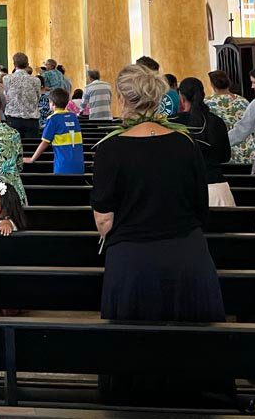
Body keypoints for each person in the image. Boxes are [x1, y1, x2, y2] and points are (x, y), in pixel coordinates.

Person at [90, 64, 223, 323]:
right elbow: (200, 205)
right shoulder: (185, 142)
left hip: (133, 261)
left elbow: (103, 220)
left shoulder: (110, 149)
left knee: (137, 349)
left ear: (122, 99)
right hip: (187, 254)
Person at [176, 77, 233, 206]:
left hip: (183, 188)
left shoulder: (173, 123)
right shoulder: (217, 122)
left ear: (182, 98)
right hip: (216, 187)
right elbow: (225, 157)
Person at [24, 88, 84, 173]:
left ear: (52, 104)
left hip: (62, 165)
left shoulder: (53, 119)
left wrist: (32, 159)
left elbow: (45, 142)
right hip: (79, 165)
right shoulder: (73, 117)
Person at [206, 70, 254, 164]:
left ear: (212, 85)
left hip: (222, 151)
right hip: (246, 151)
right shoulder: (243, 101)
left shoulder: (207, 103)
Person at [2, 53, 42, 146]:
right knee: (31, 149)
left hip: (13, 119)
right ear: (27, 64)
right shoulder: (36, 80)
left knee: (14, 149)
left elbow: (7, 95)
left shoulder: (7, 79)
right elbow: (37, 97)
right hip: (32, 119)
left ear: (14, 64)